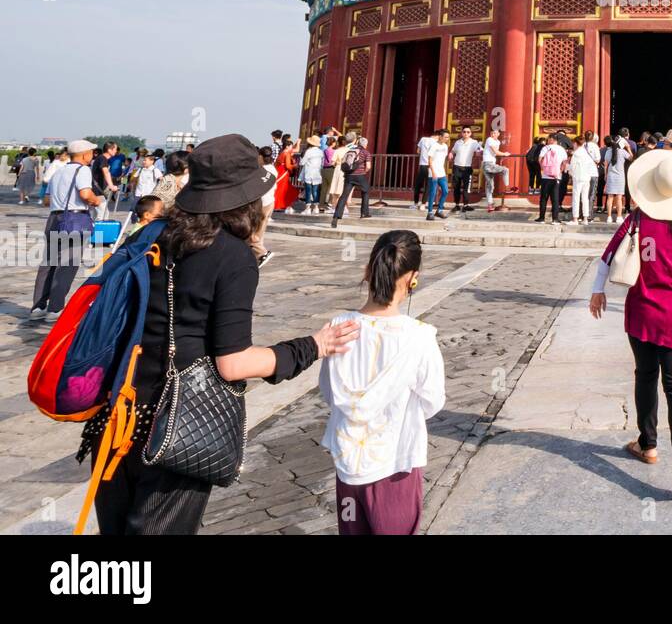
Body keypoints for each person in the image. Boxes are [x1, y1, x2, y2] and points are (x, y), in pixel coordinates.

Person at [86, 134, 359, 535]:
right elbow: (234, 364)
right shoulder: (232, 257)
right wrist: (311, 346)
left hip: (115, 413)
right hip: (176, 425)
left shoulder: (152, 234)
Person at [589, 145, 672, 500]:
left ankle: (648, 444)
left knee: (644, 376)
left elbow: (607, 257)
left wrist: (598, 291)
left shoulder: (637, 219)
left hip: (641, 311)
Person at [320, 229, 446, 535]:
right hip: (396, 461)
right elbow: (432, 400)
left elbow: (328, 391)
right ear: (413, 278)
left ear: (369, 269)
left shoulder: (338, 327)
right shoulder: (419, 336)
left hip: (349, 462)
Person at [30, 139, 98, 320]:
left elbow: (46, 200)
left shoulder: (58, 171)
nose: (92, 155)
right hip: (74, 219)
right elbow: (85, 194)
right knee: (66, 265)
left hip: (54, 218)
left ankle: (38, 307)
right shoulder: (83, 170)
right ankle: (55, 308)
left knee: (48, 264)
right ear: (84, 154)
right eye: (91, 152)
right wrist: (97, 200)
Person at [331, 136, 373, 228]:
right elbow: (368, 166)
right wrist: (364, 171)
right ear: (365, 144)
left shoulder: (350, 150)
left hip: (348, 176)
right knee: (366, 191)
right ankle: (364, 213)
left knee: (344, 195)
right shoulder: (366, 152)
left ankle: (336, 216)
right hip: (359, 176)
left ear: (358, 143)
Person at [535, 133, 568, 224]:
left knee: (544, 198)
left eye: (548, 139)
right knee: (555, 198)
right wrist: (560, 170)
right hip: (557, 176)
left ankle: (542, 218)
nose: (547, 140)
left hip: (546, 176)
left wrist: (543, 168)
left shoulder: (545, 148)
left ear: (551, 139)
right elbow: (565, 162)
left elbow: (540, 159)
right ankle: (555, 219)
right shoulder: (562, 149)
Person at [568, 128, 597, 224]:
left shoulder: (576, 154)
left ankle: (575, 218)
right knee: (585, 198)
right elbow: (591, 165)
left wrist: (568, 170)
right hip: (586, 177)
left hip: (578, 177)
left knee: (576, 198)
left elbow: (572, 167)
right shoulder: (586, 154)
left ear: (576, 144)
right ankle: (585, 219)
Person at [449, 126, 480, 214]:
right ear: (461, 133)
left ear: (470, 133)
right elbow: (453, 151)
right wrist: (450, 153)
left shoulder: (474, 142)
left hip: (467, 168)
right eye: (464, 132)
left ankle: (465, 205)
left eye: (468, 132)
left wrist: (478, 153)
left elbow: (479, 150)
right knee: (456, 187)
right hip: (457, 167)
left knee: (467, 188)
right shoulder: (457, 142)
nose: (466, 133)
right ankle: (457, 205)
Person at [603, 135, 632, 225]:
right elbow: (631, 157)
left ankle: (609, 217)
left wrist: (605, 175)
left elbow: (606, 164)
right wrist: (628, 147)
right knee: (619, 198)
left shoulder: (608, 152)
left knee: (610, 197)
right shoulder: (622, 152)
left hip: (611, 175)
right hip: (620, 176)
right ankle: (619, 217)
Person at [481, 128, 510, 213]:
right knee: (505, 169)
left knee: (490, 185)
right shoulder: (489, 139)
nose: (493, 134)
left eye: (495, 133)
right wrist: (505, 154)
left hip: (491, 164)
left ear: (498, 134)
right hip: (488, 164)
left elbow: (495, 152)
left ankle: (490, 205)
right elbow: (495, 152)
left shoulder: (498, 142)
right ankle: (507, 187)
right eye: (492, 133)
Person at [424, 130, 450, 221]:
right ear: (440, 136)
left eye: (448, 137)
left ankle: (439, 210)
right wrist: (433, 171)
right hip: (433, 172)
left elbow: (444, 160)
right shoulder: (434, 146)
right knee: (433, 192)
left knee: (445, 191)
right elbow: (430, 159)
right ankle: (430, 212)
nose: (447, 139)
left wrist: (444, 171)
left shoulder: (445, 146)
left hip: (441, 172)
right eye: (446, 137)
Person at [273, 136, 300, 214]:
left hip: (279, 172)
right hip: (284, 173)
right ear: (288, 146)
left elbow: (277, 163)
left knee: (279, 189)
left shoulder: (282, 153)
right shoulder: (287, 154)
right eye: (291, 146)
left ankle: (279, 205)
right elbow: (288, 166)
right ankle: (281, 205)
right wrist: (294, 166)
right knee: (284, 189)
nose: (292, 148)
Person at [412, 127, 438, 208]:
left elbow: (418, 151)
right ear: (438, 136)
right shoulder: (436, 143)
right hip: (430, 166)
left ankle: (415, 204)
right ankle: (423, 204)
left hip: (422, 165)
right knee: (428, 186)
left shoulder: (423, 139)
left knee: (418, 185)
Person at [299, 135, 325, 215]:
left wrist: (300, 161)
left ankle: (308, 208)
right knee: (315, 191)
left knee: (308, 191)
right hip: (317, 173)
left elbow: (302, 162)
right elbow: (322, 164)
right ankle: (316, 208)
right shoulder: (321, 152)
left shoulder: (309, 151)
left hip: (309, 173)